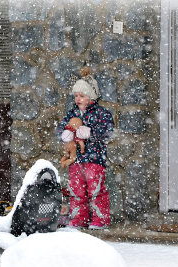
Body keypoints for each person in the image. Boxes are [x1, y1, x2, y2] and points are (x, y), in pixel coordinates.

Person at [57, 67, 114, 230]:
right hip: (76, 161)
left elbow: (107, 132)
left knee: (96, 190)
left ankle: (100, 219)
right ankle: (78, 219)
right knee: (76, 190)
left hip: (95, 159)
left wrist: (91, 133)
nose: (78, 99)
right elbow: (61, 129)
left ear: (91, 96)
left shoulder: (102, 114)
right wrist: (65, 133)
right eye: (76, 96)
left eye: (82, 96)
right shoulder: (72, 114)